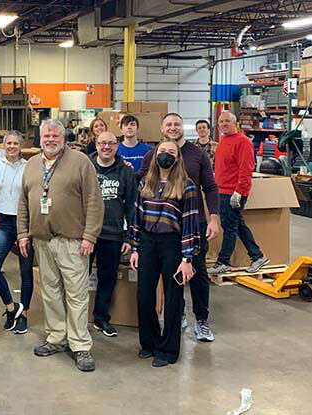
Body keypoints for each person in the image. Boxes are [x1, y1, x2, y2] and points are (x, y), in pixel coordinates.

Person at [17, 119, 104, 372]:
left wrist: (89, 236)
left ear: (63, 138)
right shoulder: (32, 165)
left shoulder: (80, 162)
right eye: (47, 136)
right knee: (51, 292)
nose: (51, 140)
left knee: (76, 294)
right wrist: (23, 233)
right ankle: (57, 336)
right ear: (40, 138)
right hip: (42, 240)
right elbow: (23, 202)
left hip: (73, 241)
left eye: (55, 136)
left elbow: (94, 201)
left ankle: (80, 345)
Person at [136, 113, 220, 342]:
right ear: (162, 129)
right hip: (161, 226)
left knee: (197, 272)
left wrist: (214, 218)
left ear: (183, 127)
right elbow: (141, 183)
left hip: (193, 223)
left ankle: (201, 320)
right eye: (169, 124)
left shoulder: (197, 154)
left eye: (177, 124)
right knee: (172, 281)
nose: (173, 128)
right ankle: (178, 315)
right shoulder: (152, 155)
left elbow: (211, 187)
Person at [130, 140, 201, 368]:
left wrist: (187, 258)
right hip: (148, 243)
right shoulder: (145, 182)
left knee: (172, 298)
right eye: (162, 151)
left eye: (171, 152)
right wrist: (135, 247)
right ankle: (149, 343)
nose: (166, 155)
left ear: (178, 158)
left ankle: (168, 350)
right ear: (154, 155)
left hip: (173, 244)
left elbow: (190, 221)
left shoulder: (186, 185)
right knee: (144, 296)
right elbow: (137, 216)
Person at [208, 112, 269, 274]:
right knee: (237, 224)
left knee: (229, 227)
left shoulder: (242, 142)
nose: (223, 124)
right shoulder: (223, 141)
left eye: (227, 121)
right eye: (221, 121)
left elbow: (246, 169)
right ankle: (257, 256)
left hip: (233, 193)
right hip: (222, 190)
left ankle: (223, 262)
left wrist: (239, 192)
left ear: (235, 123)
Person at [89, 131, 137, 337]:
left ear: (117, 147)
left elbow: (131, 206)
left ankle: (101, 319)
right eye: (102, 143)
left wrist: (128, 237)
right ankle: (77, 320)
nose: (106, 147)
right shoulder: (86, 166)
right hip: (87, 234)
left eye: (111, 143)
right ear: (96, 145)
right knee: (78, 278)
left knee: (107, 278)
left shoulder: (126, 171)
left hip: (113, 233)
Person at [0, 131, 33, 334]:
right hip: (4, 222)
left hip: (25, 223)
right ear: (3, 145)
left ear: (21, 146)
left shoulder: (28, 168)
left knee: (25, 271)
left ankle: (24, 315)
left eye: (15, 143)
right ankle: (11, 307)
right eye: (8, 143)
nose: (12, 146)